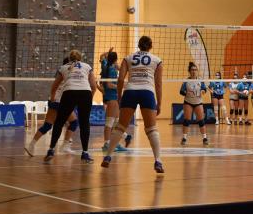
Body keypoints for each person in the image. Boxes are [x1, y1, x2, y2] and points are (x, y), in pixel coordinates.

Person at [101, 36, 164, 174]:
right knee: (152, 129)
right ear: (150, 46)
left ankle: (108, 157)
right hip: (147, 92)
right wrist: (159, 103)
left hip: (130, 91)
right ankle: (158, 161)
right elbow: (158, 84)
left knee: (120, 127)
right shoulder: (157, 60)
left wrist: (119, 96)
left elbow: (120, 79)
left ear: (139, 45)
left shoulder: (128, 58)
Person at [45, 50, 96, 162]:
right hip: (85, 93)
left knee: (59, 122)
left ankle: (51, 150)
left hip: (69, 92)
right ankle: (85, 153)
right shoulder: (87, 66)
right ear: (80, 58)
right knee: (84, 123)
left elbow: (55, 86)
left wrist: (53, 97)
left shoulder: (63, 68)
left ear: (69, 58)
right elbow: (94, 85)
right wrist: (89, 98)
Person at [25, 58, 79, 157]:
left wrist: (53, 97)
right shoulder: (70, 72)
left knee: (47, 125)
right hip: (62, 101)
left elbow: (55, 86)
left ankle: (31, 145)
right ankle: (65, 146)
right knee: (74, 122)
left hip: (54, 100)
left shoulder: (61, 71)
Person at [99, 49, 130, 152]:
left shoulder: (105, 65)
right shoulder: (111, 70)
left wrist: (107, 52)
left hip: (113, 97)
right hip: (111, 97)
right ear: (116, 60)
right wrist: (121, 86)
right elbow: (108, 84)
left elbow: (102, 57)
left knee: (117, 122)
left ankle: (116, 143)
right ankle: (107, 144)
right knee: (110, 122)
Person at [180, 62, 209, 146]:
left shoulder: (200, 80)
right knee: (187, 120)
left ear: (197, 71)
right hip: (188, 102)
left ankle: (205, 138)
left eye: (195, 70)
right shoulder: (186, 81)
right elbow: (181, 91)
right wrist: (187, 93)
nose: (194, 71)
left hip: (198, 102)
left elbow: (204, 89)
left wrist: (202, 92)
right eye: (192, 70)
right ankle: (184, 138)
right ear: (189, 71)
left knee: (201, 121)